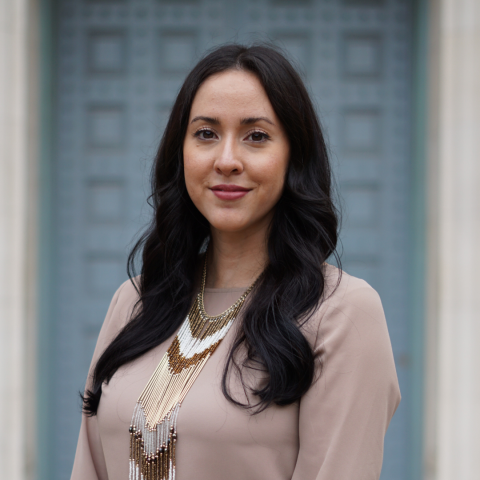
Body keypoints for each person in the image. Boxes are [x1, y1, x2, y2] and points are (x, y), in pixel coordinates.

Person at [71, 44, 400, 480]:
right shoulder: (135, 302)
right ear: (181, 151)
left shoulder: (341, 313)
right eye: (206, 133)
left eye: (256, 136)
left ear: (294, 157)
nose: (226, 160)